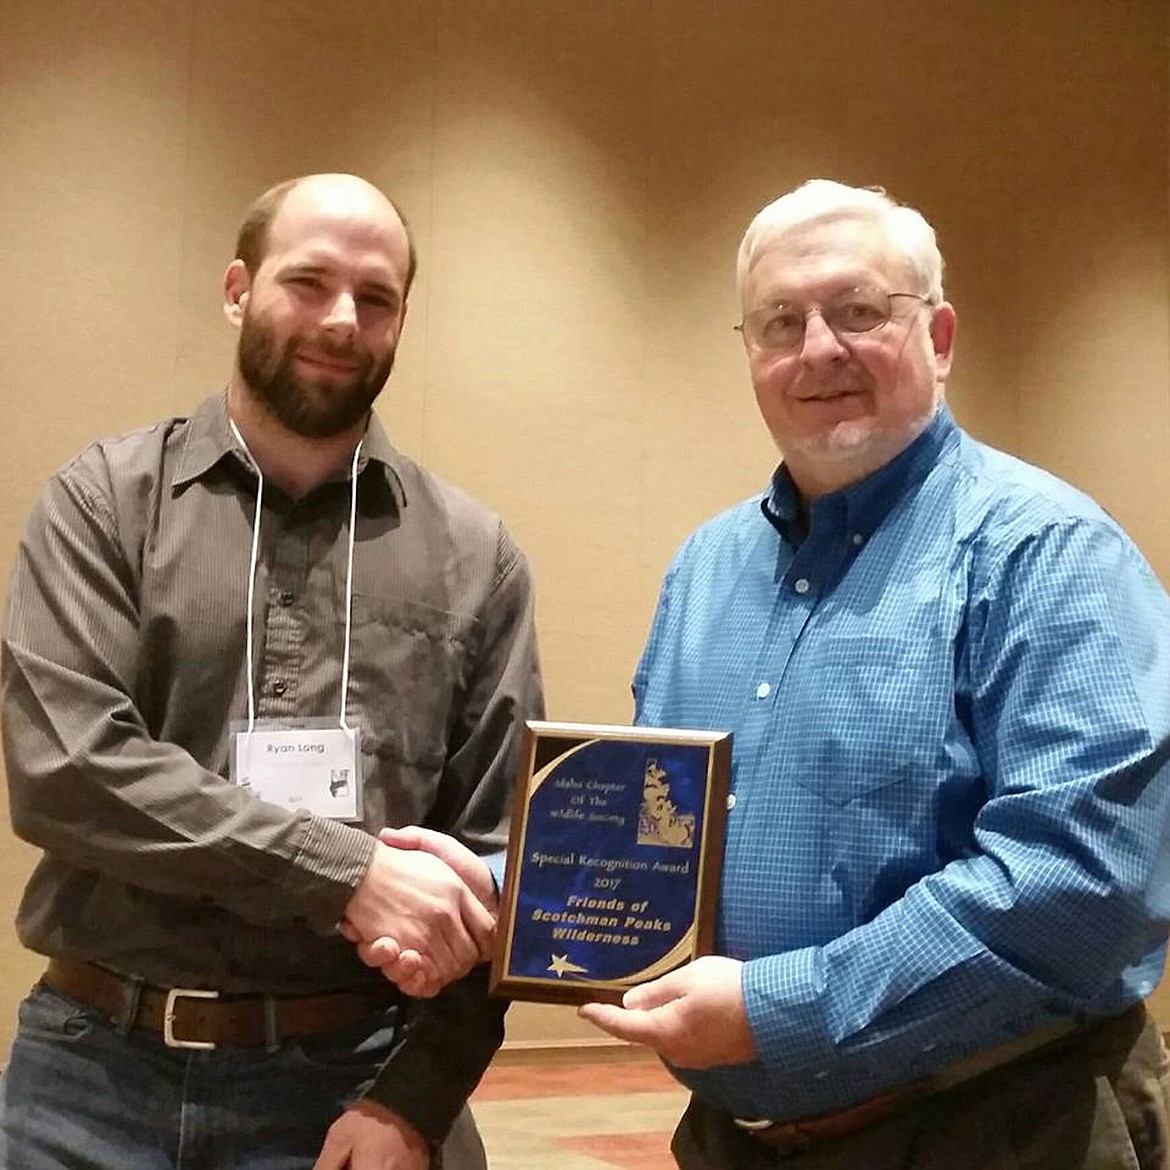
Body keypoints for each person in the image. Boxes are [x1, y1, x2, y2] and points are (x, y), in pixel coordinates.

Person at [580, 179, 1170, 1169]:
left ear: (938, 337)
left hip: (1005, 1130)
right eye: (779, 322)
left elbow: (1081, 888)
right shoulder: (704, 570)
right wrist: (498, 890)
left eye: (857, 312)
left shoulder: (1049, 553)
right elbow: (655, 836)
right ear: (751, 356)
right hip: (737, 1141)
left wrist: (781, 1011)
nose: (816, 349)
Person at [0, 173, 542, 1170]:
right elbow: (68, 772)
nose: (342, 319)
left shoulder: (476, 558)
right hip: (89, 1084)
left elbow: (501, 862)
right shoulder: (103, 506)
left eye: (375, 298)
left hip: (355, 1087)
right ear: (238, 288)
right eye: (309, 282)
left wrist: (415, 1103)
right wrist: (349, 877)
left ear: (402, 321)